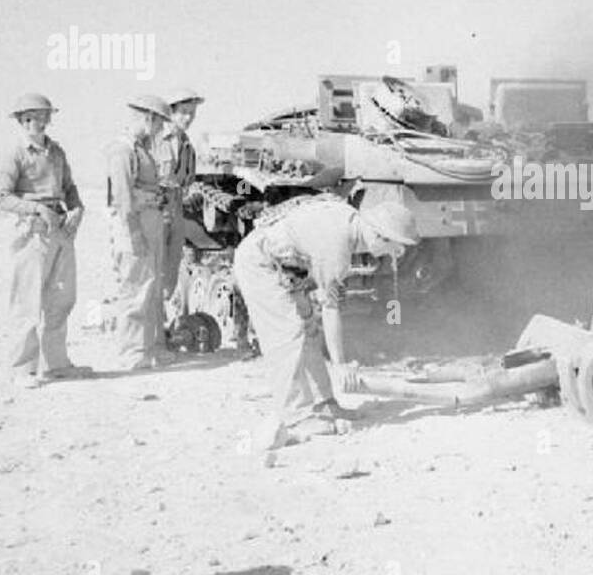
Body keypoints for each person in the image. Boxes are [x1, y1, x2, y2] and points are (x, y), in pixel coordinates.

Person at [233, 194, 421, 451]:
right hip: (260, 264)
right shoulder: (338, 247)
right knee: (288, 336)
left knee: (309, 329)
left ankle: (324, 404)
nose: (394, 256)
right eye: (394, 248)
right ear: (379, 236)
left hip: (286, 269)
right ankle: (297, 416)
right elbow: (331, 309)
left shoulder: (348, 224)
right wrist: (342, 364)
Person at [0, 93, 90, 387]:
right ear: (21, 121)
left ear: (49, 119)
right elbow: (3, 198)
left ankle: (56, 364)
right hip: (33, 230)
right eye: (29, 117)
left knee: (61, 299)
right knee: (27, 301)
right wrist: (36, 208)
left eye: (41, 116)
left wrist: (77, 208)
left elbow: (70, 186)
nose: (35, 122)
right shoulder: (15, 154)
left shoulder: (57, 152)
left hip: (61, 228)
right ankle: (22, 369)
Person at [106, 94, 172, 370]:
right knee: (135, 289)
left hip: (150, 220)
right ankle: (133, 353)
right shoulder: (123, 150)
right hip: (136, 223)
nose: (160, 130)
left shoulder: (141, 149)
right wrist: (134, 233)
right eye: (160, 123)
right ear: (149, 118)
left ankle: (149, 347)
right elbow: (122, 198)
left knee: (151, 287)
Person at [154, 86, 203, 315]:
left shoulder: (188, 146)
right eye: (183, 112)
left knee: (171, 271)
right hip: (155, 209)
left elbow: (188, 180)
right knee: (152, 269)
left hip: (176, 208)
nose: (188, 118)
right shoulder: (154, 140)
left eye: (192, 113)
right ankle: (152, 332)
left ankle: (161, 327)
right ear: (170, 113)